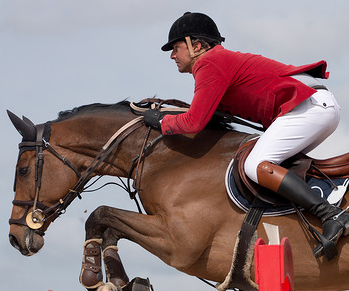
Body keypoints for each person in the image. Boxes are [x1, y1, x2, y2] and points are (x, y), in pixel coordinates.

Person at [144, 12, 348, 259]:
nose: (172, 55)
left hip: (310, 107)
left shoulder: (208, 63)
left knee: (255, 165)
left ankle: (331, 215)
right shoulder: (218, 62)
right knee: (274, 166)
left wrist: (162, 121)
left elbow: (194, 122)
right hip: (316, 107)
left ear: (195, 46)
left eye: (176, 47)